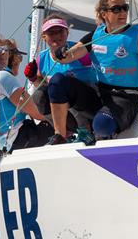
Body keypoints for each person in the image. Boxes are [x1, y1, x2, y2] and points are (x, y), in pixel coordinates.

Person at [53, 0, 138, 139]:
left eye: (125, 8)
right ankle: (59, 136)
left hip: (126, 97)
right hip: (99, 94)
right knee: (57, 82)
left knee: (101, 125)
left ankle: (99, 132)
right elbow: (70, 56)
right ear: (104, 13)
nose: (123, 12)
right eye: (116, 9)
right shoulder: (96, 35)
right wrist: (60, 53)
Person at [24, 14, 100, 143]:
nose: (57, 36)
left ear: (67, 32)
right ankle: (66, 133)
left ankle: (87, 131)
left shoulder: (79, 51)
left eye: (60, 31)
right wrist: (32, 78)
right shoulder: (42, 58)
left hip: (89, 103)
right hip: (67, 109)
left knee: (60, 82)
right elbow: (42, 86)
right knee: (38, 96)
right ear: (44, 37)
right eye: (51, 33)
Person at [0, 37, 52, 149]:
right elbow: (36, 112)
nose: (3, 53)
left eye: (5, 49)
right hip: (22, 139)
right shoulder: (2, 77)